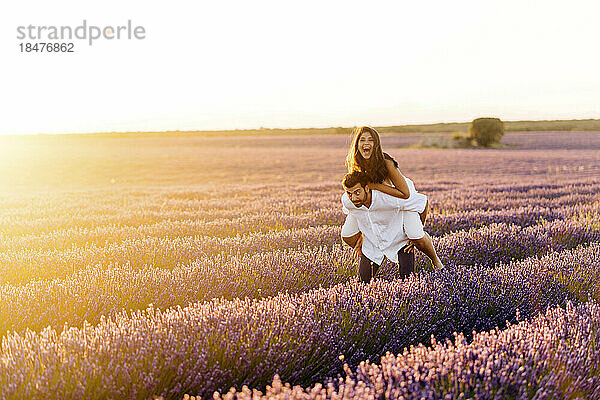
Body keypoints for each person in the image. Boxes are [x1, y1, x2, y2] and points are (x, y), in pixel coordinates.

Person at [346, 126, 444, 269]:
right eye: (362, 140)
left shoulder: (386, 161)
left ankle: (435, 260)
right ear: (357, 144)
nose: (366, 143)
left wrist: (374, 186)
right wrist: (364, 233)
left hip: (402, 199)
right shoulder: (355, 163)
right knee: (347, 234)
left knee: (417, 237)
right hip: (381, 203)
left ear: (376, 144)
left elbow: (405, 194)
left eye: (370, 140)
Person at [340, 171, 429, 282]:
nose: (353, 198)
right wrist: (361, 236)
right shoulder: (348, 201)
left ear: (367, 188)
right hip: (373, 242)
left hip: (398, 237)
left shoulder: (390, 198)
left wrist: (417, 231)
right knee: (362, 283)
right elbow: (356, 215)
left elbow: (422, 202)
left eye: (357, 193)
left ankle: (436, 265)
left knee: (407, 280)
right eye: (349, 194)